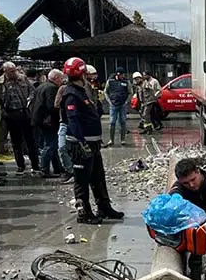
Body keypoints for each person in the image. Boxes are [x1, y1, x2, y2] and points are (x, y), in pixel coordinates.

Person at [61, 57, 123, 224]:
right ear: (82, 74)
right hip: (81, 145)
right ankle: (84, 213)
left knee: (97, 176)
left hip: (92, 143)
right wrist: (82, 143)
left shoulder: (80, 91)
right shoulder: (71, 94)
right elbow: (73, 121)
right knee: (82, 180)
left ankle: (104, 207)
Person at [0, 62, 40, 173]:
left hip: (24, 112)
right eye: (11, 71)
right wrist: (2, 113)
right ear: (5, 71)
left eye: (15, 70)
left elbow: (33, 91)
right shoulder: (0, 82)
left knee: (30, 140)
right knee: (16, 141)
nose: (14, 73)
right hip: (10, 114)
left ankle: (35, 165)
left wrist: (29, 100)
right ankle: (20, 165)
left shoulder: (23, 78)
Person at [31, 69, 64, 178]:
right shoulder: (52, 88)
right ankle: (44, 169)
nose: (62, 81)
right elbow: (52, 106)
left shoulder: (42, 86)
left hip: (40, 119)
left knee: (52, 144)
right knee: (50, 145)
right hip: (48, 121)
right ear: (56, 78)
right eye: (61, 78)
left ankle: (58, 168)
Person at [105, 68, 131, 146]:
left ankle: (123, 140)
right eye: (121, 75)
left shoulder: (126, 82)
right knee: (112, 122)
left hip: (122, 105)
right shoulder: (110, 81)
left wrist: (126, 101)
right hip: (113, 105)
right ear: (117, 74)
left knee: (123, 121)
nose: (122, 76)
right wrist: (109, 101)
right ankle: (111, 140)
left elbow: (130, 92)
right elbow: (105, 92)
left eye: (123, 75)